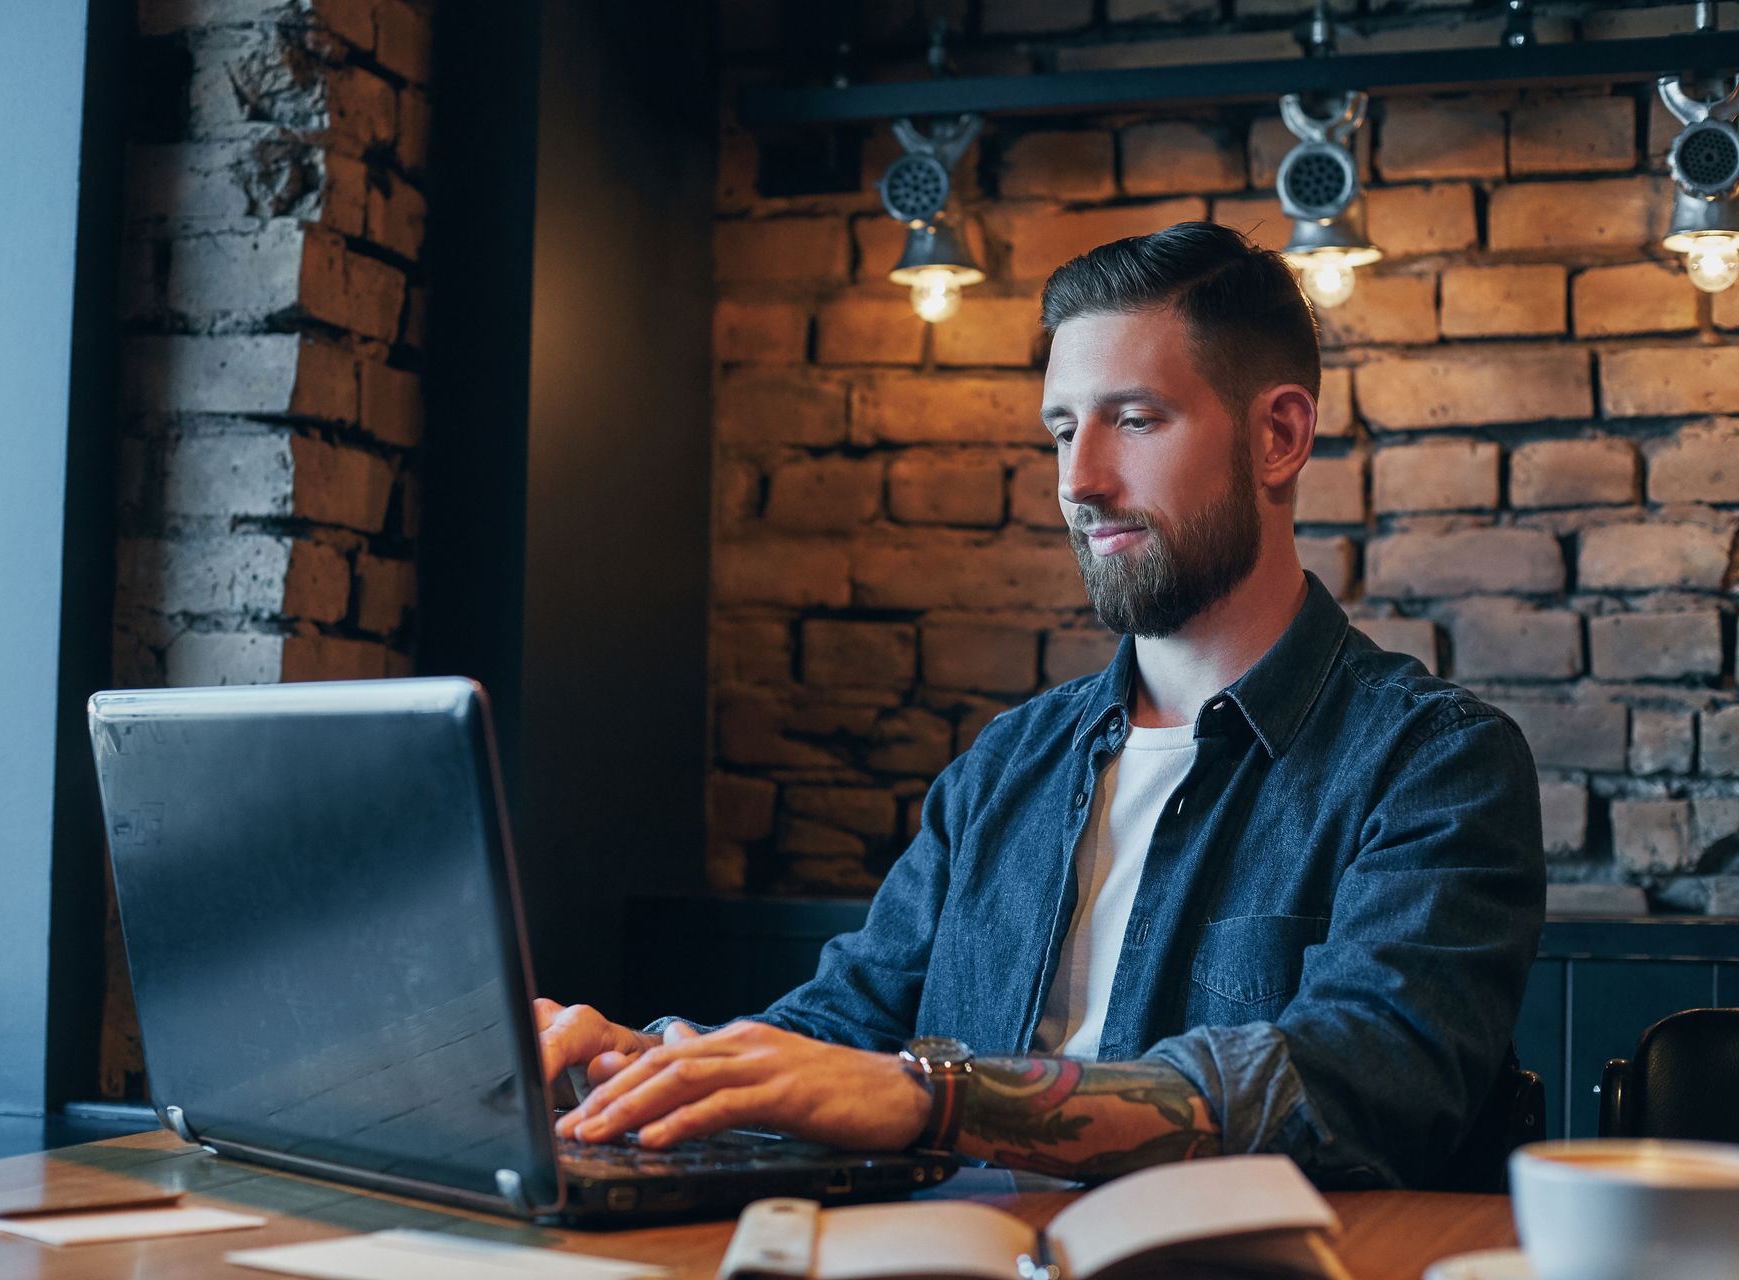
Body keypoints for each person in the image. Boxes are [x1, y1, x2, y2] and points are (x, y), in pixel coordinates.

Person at [536, 221, 1546, 1189]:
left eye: (1136, 420)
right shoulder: (1006, 764)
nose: (1081, 479)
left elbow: (1359, 1083)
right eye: (1064, 428)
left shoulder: (1435, 765)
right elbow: (842, 1029)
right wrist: (649, 1063)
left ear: (1279, 435)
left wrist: (934, 1098)